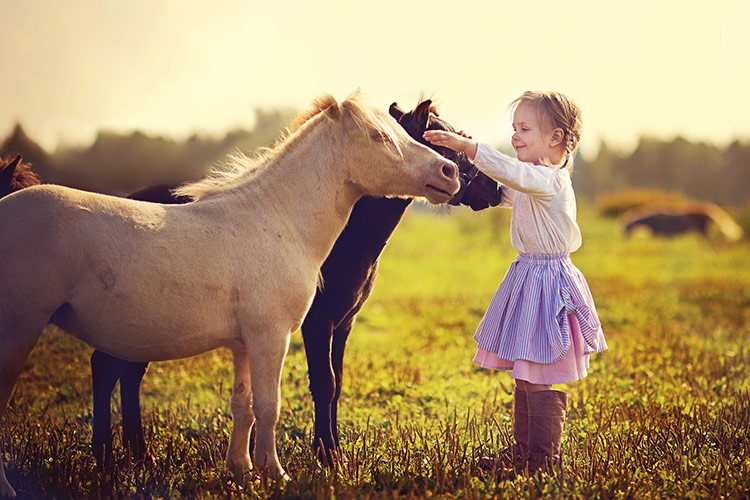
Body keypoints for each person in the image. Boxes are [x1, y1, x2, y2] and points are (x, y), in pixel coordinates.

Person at [424, 91, 607, 476]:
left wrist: (471, 147)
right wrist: (462, 163)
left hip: (547, 283)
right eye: (514, 129)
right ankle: (523, 453)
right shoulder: (533, 182)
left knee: (539, 373)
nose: (516, 136)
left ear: (555, 138)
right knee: (525, 374)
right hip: (528, 277)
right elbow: (501, 189)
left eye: (524, 129)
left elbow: (515, 174)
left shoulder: (550, 181)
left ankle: (542, 461)